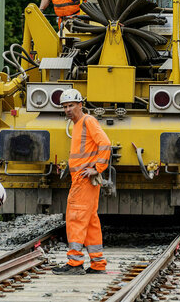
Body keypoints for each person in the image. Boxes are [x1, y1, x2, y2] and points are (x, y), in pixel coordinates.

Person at [52, 89, 111, 275]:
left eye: (71, 105)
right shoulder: (78, 124)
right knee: (91, 221)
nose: (68, 109)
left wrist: (98, 168)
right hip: (84, 180)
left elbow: (105, 144)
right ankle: (97, 264)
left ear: (80, 105)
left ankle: (75, 263)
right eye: (65, 107)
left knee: (75, 218)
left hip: (84, 180)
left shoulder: (87, 121)